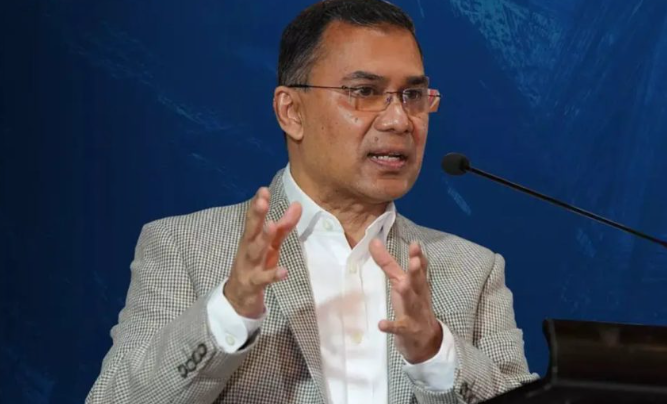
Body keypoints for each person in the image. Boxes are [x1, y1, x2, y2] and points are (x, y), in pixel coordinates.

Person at [86, 0, 537, 403]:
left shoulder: (472, 271)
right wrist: (229, 313)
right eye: (365, 92)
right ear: (291, 112)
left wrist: (436, 354)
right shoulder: (186, 248)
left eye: (413, 95)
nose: (399, 120)